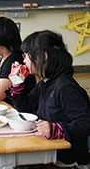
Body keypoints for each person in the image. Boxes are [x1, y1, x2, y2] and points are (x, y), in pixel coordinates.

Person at [8, 30, 90, 168]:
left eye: (26, 55)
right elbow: (25, 108)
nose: (24, 60)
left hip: (69, 162)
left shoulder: (65, 86)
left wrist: (55, 129)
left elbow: (85, 124)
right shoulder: (45, 82)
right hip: (47, 151)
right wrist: (16, 84)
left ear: (44, 56)